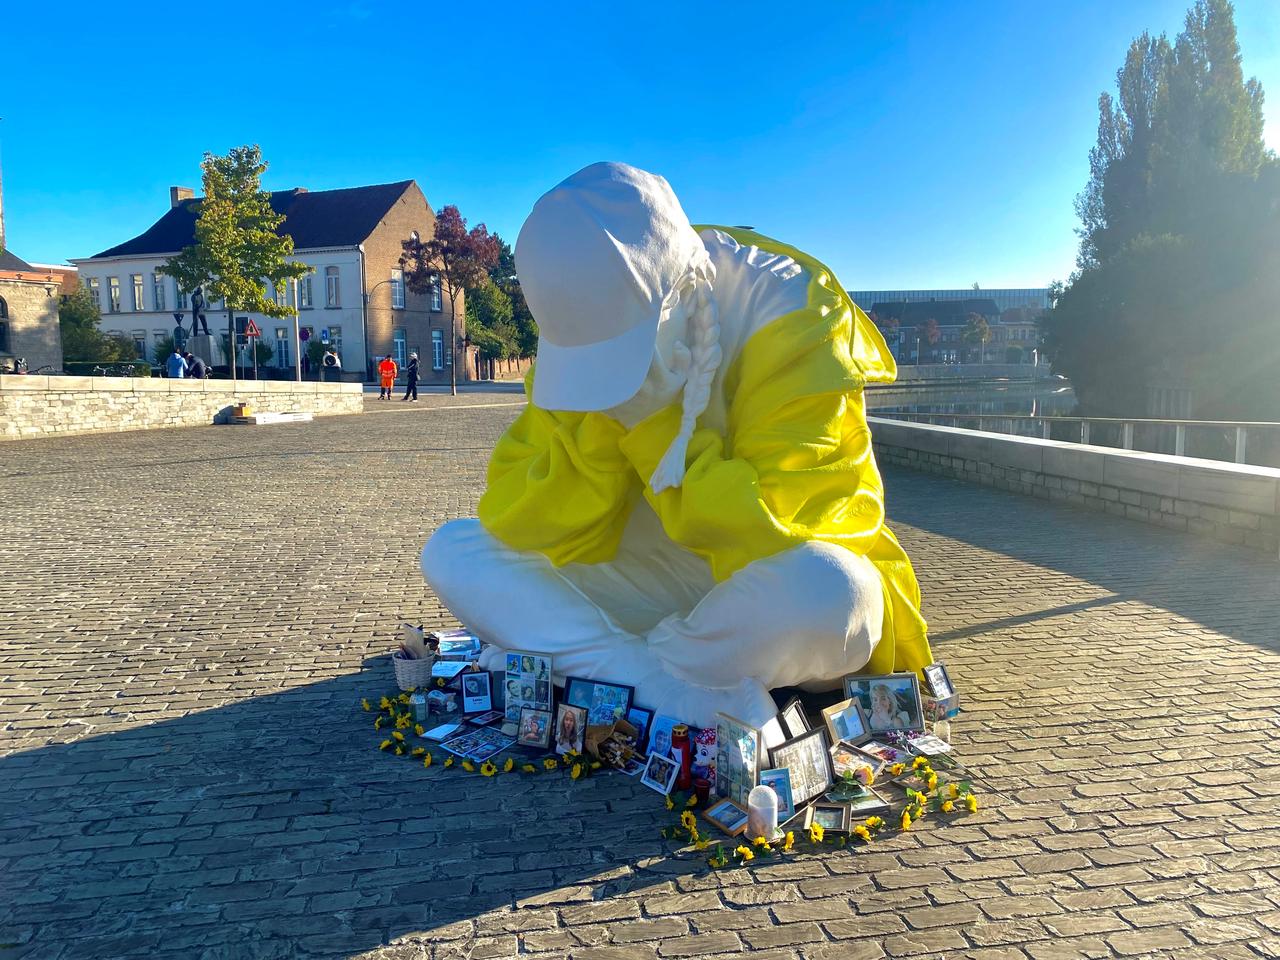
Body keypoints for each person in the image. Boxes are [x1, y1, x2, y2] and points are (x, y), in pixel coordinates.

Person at [420, 162, 931, 729]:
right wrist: (603, 425)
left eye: (625, 356)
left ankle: (584, 666)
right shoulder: (577, 310)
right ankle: (662, 687)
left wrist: (653, 426)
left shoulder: (792, 308)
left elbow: (790, 530)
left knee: (837, 592)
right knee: (453, 551)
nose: (607, 386)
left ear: (684, 297)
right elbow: (522, 517)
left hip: (749, 595)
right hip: (645, 586)